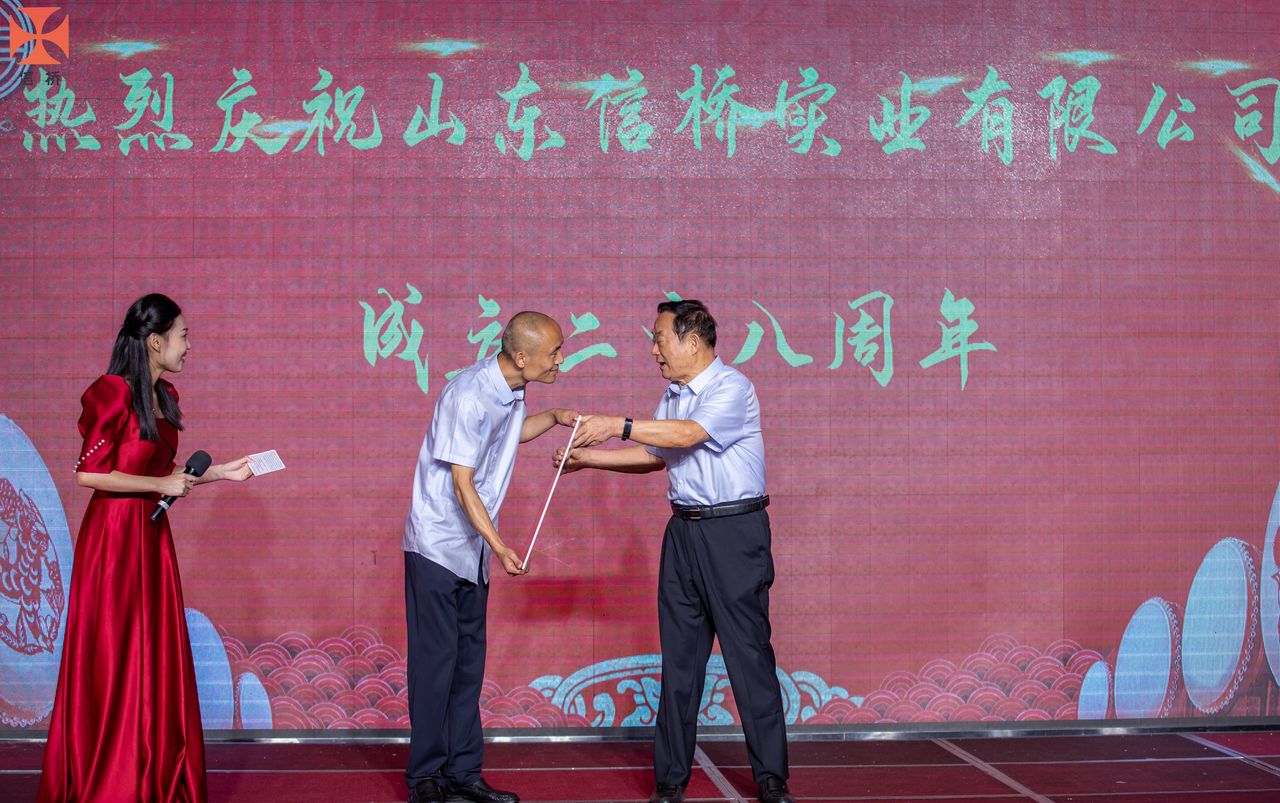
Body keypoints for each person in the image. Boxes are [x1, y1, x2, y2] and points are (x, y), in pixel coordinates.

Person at [560, 300, 796, 803]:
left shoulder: (731, 387)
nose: (653, 350)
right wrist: (590, 460)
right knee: (680, 661)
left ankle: (771, 778)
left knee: (748, 655)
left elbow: (689, 434)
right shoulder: (672, 395)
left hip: (734, 532)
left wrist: (616, 424)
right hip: (683, 533)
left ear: (692, 341)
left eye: (659, 338)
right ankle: (670, 780)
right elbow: (656, 455)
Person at [38, 294, 254, 803]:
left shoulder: (164, 394)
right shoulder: (111, 392)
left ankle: (150, 774)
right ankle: (111, 778)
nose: (188, 346)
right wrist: (159, 486)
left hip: (151, 539)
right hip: (113, 542)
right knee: (116, 657)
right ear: (155, 341)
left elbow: (162, 474)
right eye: (183, 336)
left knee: (150, 656)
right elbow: (88, 474)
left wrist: (219, 473)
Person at [403, 311, 580, 803]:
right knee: (435, 666)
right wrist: (501, 546)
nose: (560, 361)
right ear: (521, 356)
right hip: (438, 546)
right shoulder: (467, 394)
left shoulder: (513, 391)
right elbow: (462, 485)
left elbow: (507, 434)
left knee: (467, 667)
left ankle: (464, 773)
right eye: (554, 353)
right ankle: (424, 778)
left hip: (473, 549)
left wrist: (556, 417)